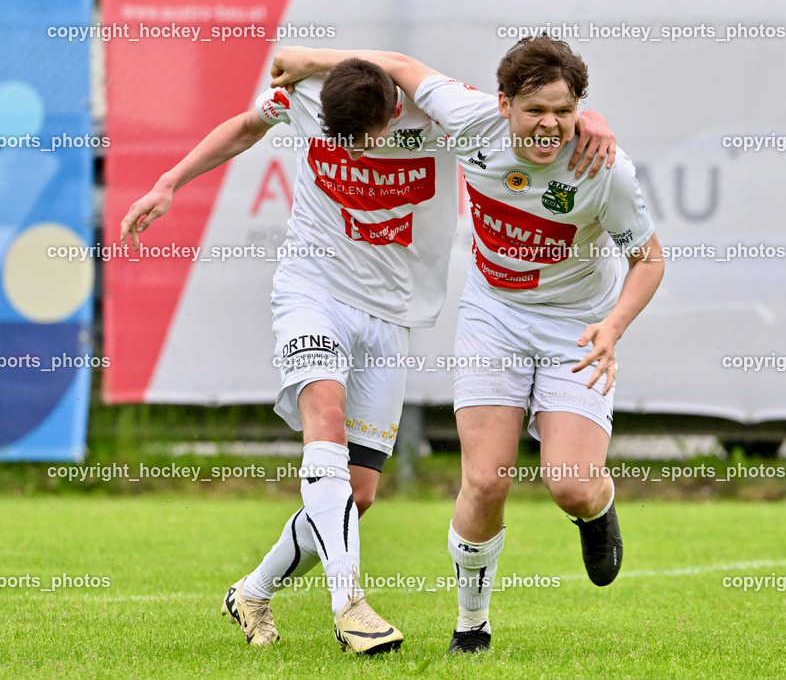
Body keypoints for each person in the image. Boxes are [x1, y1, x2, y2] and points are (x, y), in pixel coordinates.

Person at [120, 51, 615, 654]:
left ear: (392, 115)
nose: (352, 151)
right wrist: (170, 180)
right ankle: (349, 605)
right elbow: (248, 125)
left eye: (366, 138)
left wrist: (592, 122)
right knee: (323, 421)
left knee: (355, 494)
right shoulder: (309, 97)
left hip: (390, 311)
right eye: (340, 140)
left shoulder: (440, 113)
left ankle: (252, 591)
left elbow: (525, 114)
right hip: (312, 288)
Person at [272, 38, 664, 654]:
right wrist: (313, 62)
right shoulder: (468, 118)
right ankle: (472, 625)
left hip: (576, 327)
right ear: (503, 103)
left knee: (571, 484)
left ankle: (597, 508)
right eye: (535, 109)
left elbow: (648, 260)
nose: (550, 124)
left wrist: (612, 327)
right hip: (495, 315)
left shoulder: (603, 168)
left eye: (564, 110)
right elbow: (397, 66)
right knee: (485, 481)